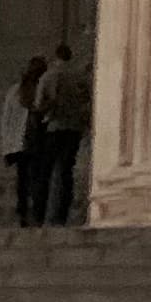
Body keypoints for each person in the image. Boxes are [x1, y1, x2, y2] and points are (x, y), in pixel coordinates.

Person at [31, 39, 93, 227]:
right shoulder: (79, 77)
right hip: (73, 129)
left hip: (54, 128)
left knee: (46, 171)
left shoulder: (48, 77)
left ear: (56, 56)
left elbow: (39, 105)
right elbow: (88, 101)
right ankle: (61, 216)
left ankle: (39, 215)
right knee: (66, 172)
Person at [0, 55, 44, 224]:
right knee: (31, 178)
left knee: (26, 179)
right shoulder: (20, 91)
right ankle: (31, 211)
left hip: (26, 142)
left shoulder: (17, 91)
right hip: (31, 141)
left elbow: (6, 120)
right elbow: (7, 120)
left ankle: (27, 211)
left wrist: (7, 146)